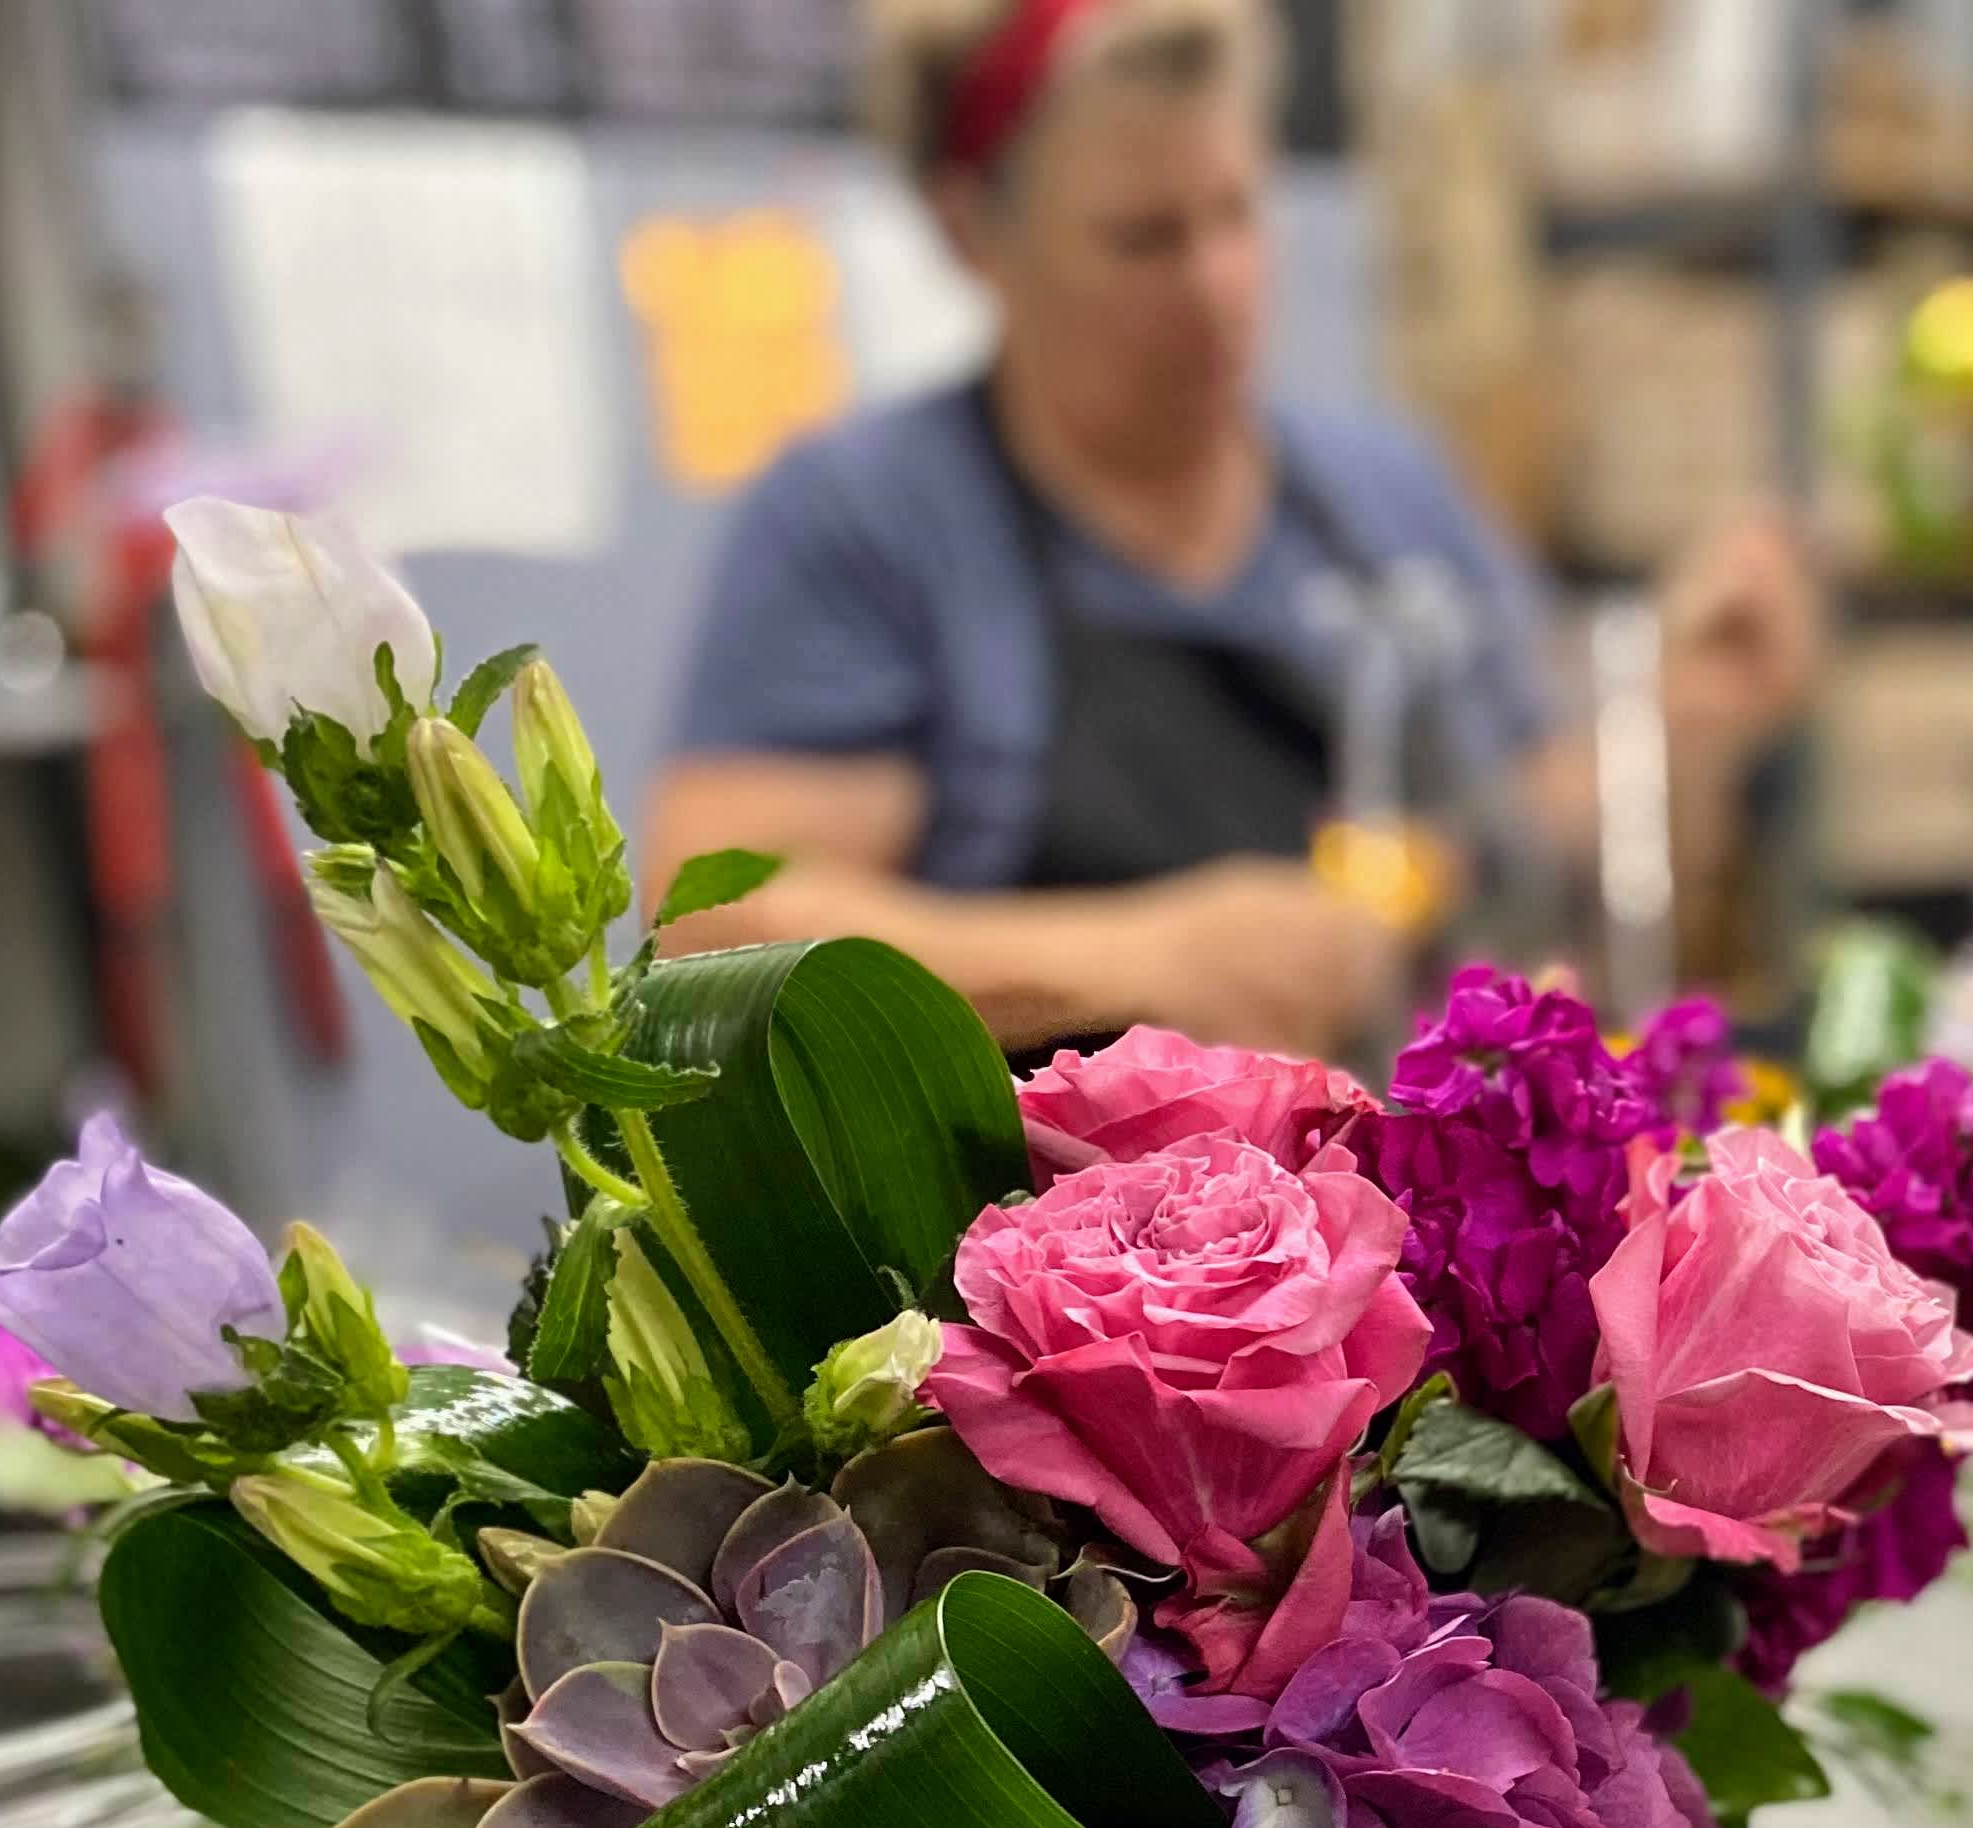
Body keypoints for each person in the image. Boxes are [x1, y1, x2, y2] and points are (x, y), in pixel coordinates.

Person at [647, 0, 1820, 1059]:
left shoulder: (1388, 500)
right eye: (1143, 238)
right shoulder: (870, 523)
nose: (1215, 287)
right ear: (971, 233)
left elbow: (1526, 842)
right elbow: (713, 924)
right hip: (1035, 1214)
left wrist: (1681, 724)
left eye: (1236, 215)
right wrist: (1136, 963)